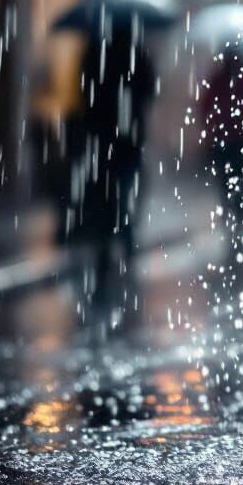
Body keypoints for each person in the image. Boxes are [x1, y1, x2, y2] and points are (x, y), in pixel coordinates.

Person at [78, 26, 157, 302]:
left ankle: (106, 247)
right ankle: (125, 244)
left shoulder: (95, 50)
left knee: (105, 193)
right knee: (126, 192)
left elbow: (84, 91)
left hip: (102, 139)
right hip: (127, 139)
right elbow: (149, 89)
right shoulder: (135, 51)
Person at [199, 47, 243, 242]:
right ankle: (239, 220)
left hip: (225, 140)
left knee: (228, 183)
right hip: (240, 140)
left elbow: (205, 106)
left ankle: (234, 221)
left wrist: (211, 129)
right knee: (241, 182)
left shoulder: (218, 77)